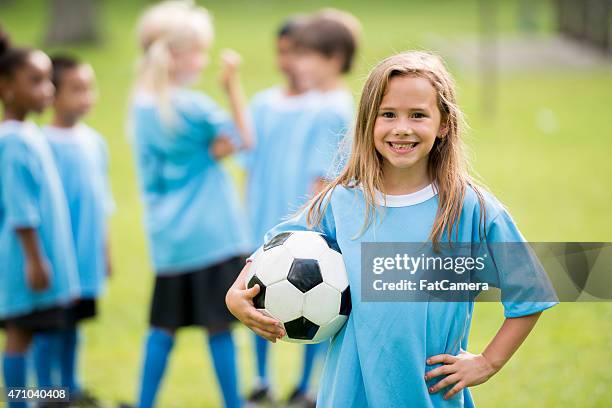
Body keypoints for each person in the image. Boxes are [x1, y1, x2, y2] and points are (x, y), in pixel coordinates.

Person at [227, 51, 558, 407]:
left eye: (417, 115)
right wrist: (236, 295)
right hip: (348, 397)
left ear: (443, 123)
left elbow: (531, 289)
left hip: (431, 396)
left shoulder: (468, 208)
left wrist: (488, 361)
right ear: (369, 122)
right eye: (388, 114)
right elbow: (274, 249)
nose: (402, 127)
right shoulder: (341, 201)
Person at [128, 1, 252, 407]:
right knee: (220, 326)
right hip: (211, 235)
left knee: (161, 327)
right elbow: (244, 140)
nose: (203, 59)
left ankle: (144, 402)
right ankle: (234, 403)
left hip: (169, 241)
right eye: (198, 51)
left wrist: (209, 152)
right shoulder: (193, 106)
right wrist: (232, 83)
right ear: (177, 55)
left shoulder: (140, 108)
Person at [244, 11, 359, 406]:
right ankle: (269, 381)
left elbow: (323, 178)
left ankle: (309, 387)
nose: (298, 63)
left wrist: (305, 229)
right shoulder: (317, 103)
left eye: (306, 55)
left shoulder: (333, 107)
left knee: (315, 297)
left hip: (308, 226)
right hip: (288, 220)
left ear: (333, 59)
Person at [0, 28, 79, 408]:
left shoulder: (28, 132)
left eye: (48, 79)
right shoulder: (12, 139)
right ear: (6, 87)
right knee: (20, 334)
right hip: (24, 258)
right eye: (34, 81)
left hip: (39, 255)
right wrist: (34, 258)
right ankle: (19, 402)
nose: (46, 88)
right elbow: (20, 209)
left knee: (39, 330)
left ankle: (41, 397)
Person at [32, 54, 114, 407]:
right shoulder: (41, 143)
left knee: (74, 325)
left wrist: (105, 250)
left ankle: (70, 387)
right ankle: (43, 393)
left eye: (89, 88)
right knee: (47, 329)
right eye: (76, 89)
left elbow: (103, 203)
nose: (86, 97)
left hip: (85, 256)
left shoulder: (95, 142)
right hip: (54, 256)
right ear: (53, 93)